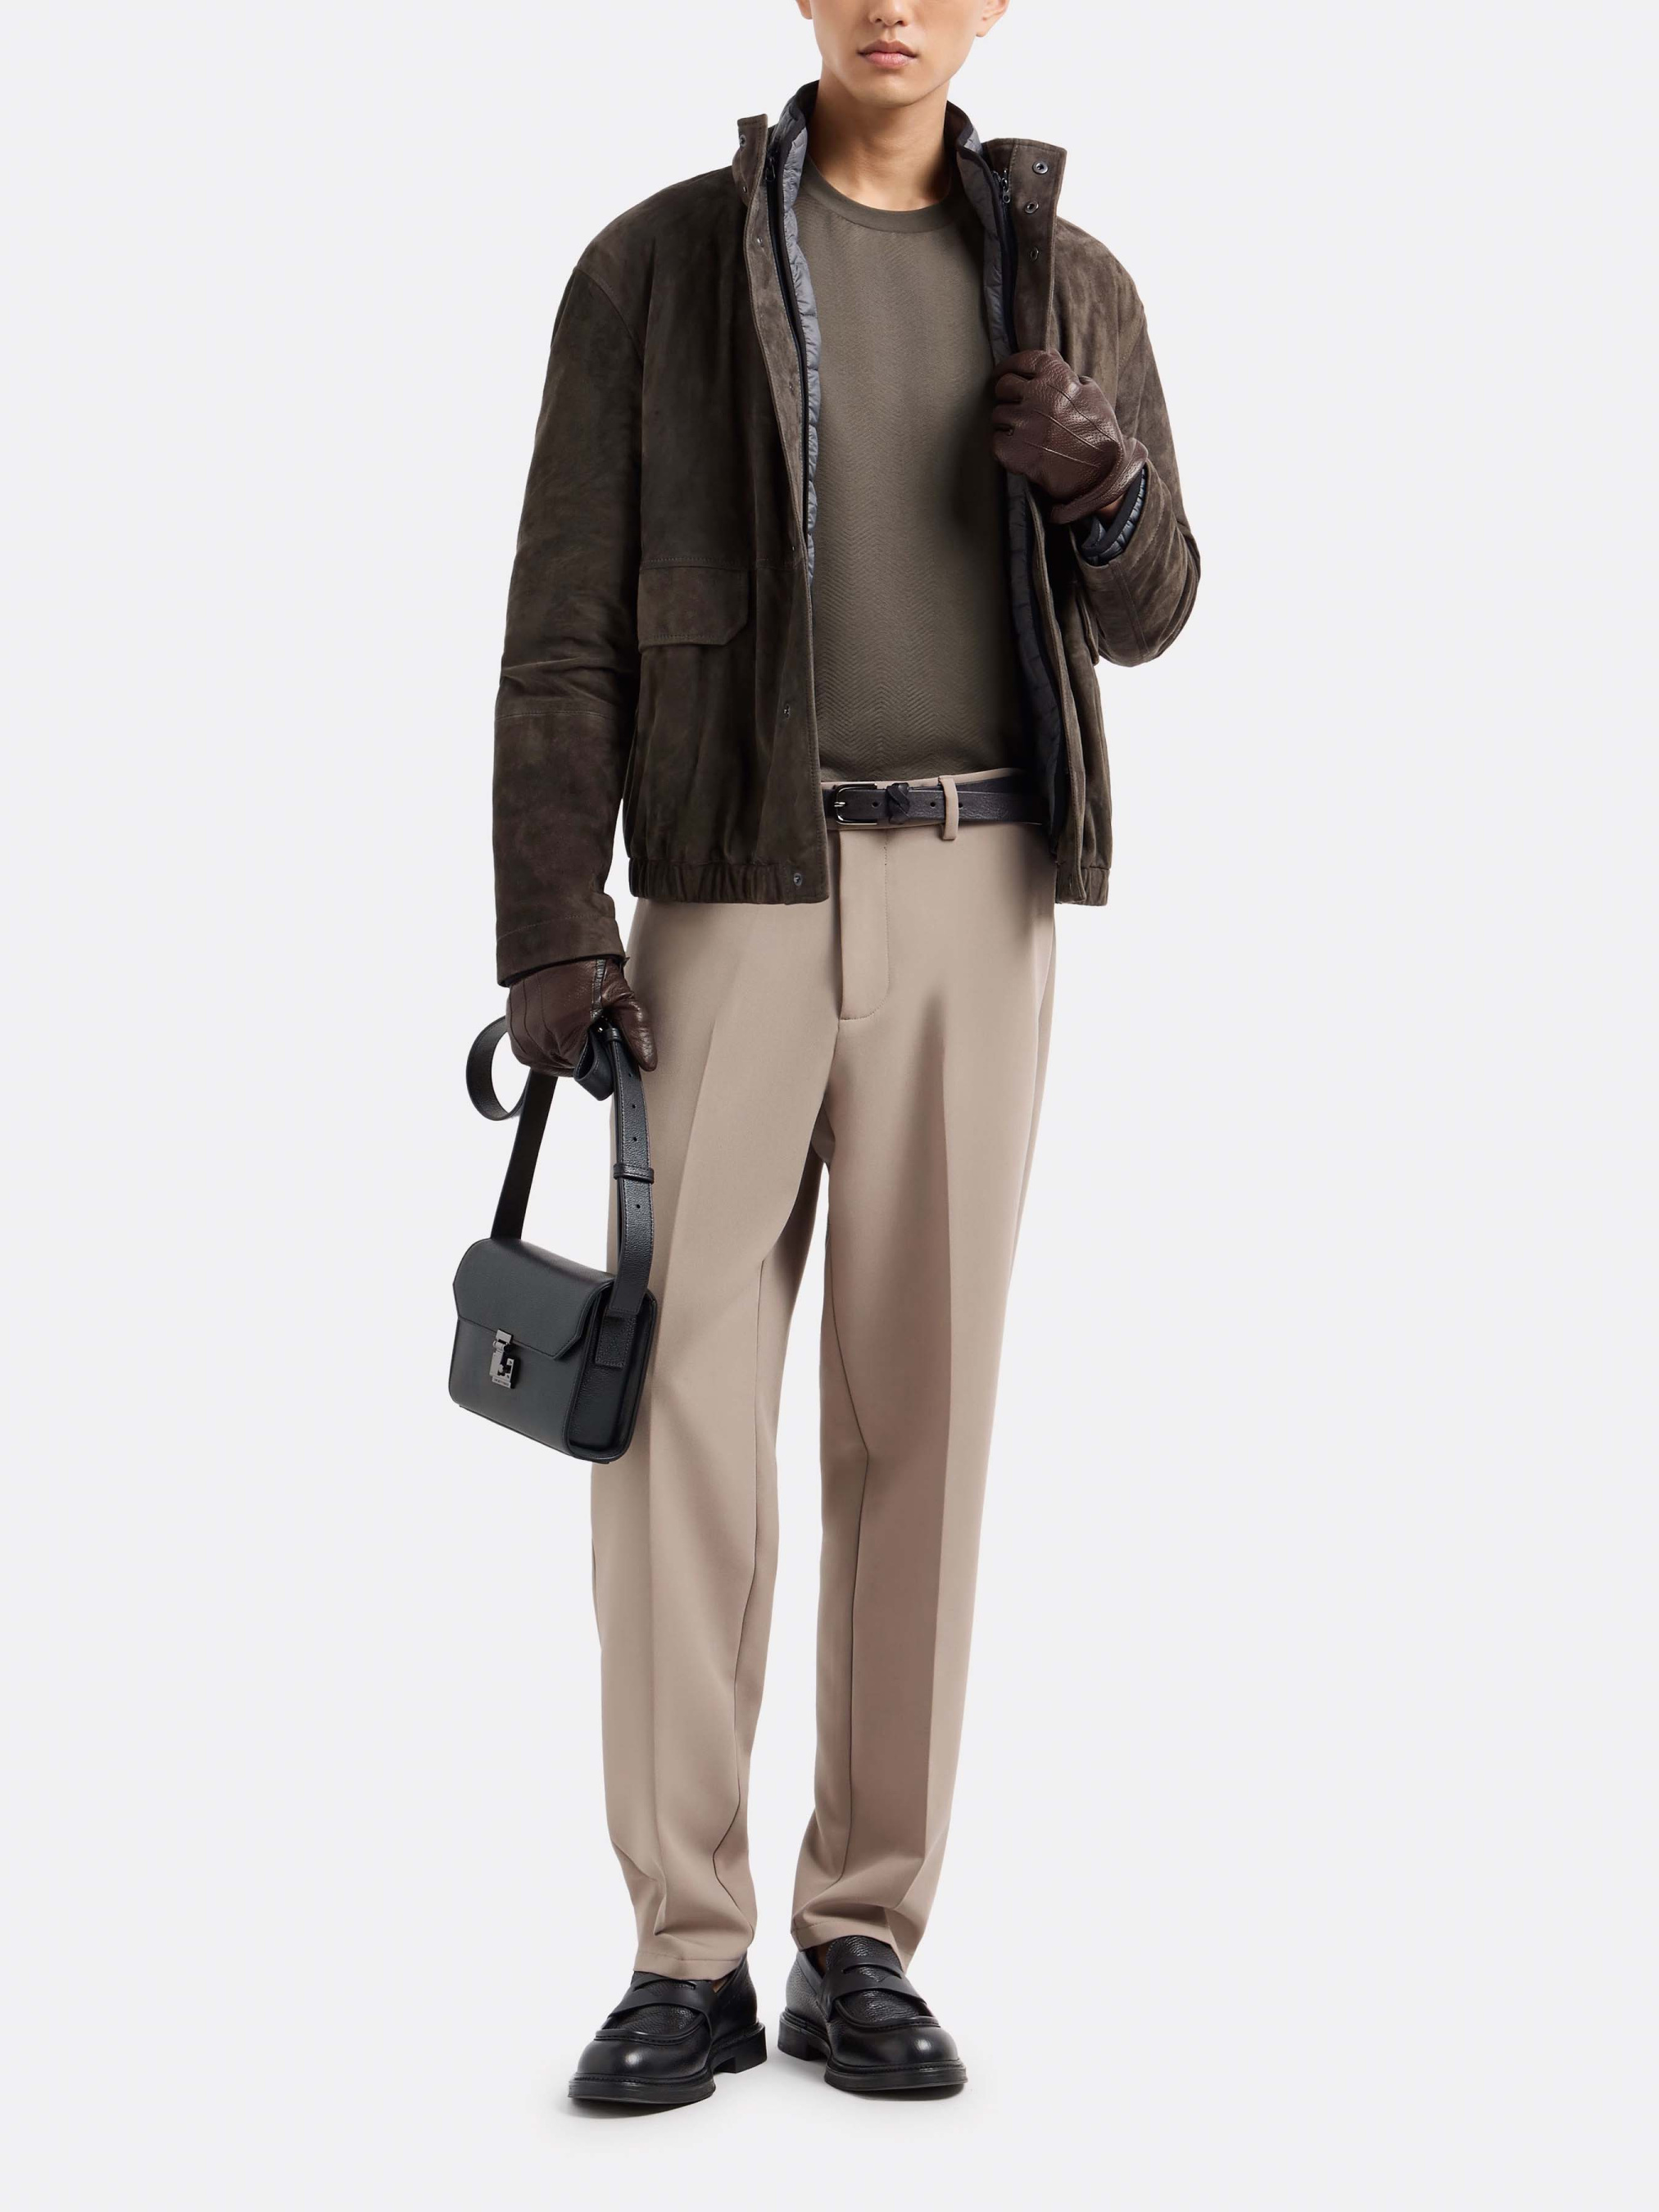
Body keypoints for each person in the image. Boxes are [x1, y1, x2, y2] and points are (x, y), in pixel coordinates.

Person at [492, 0, 1199, 2106]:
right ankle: (682, 1946)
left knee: (926, 1414)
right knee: (671, 1416)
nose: (893, 2)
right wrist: (552, 929)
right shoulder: (652, 269)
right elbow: (559, 631)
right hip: (727, 894)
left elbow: (1155, 605)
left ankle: (859, 1931)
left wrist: (1100, 485)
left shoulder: (1070, 283)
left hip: (979, 887)